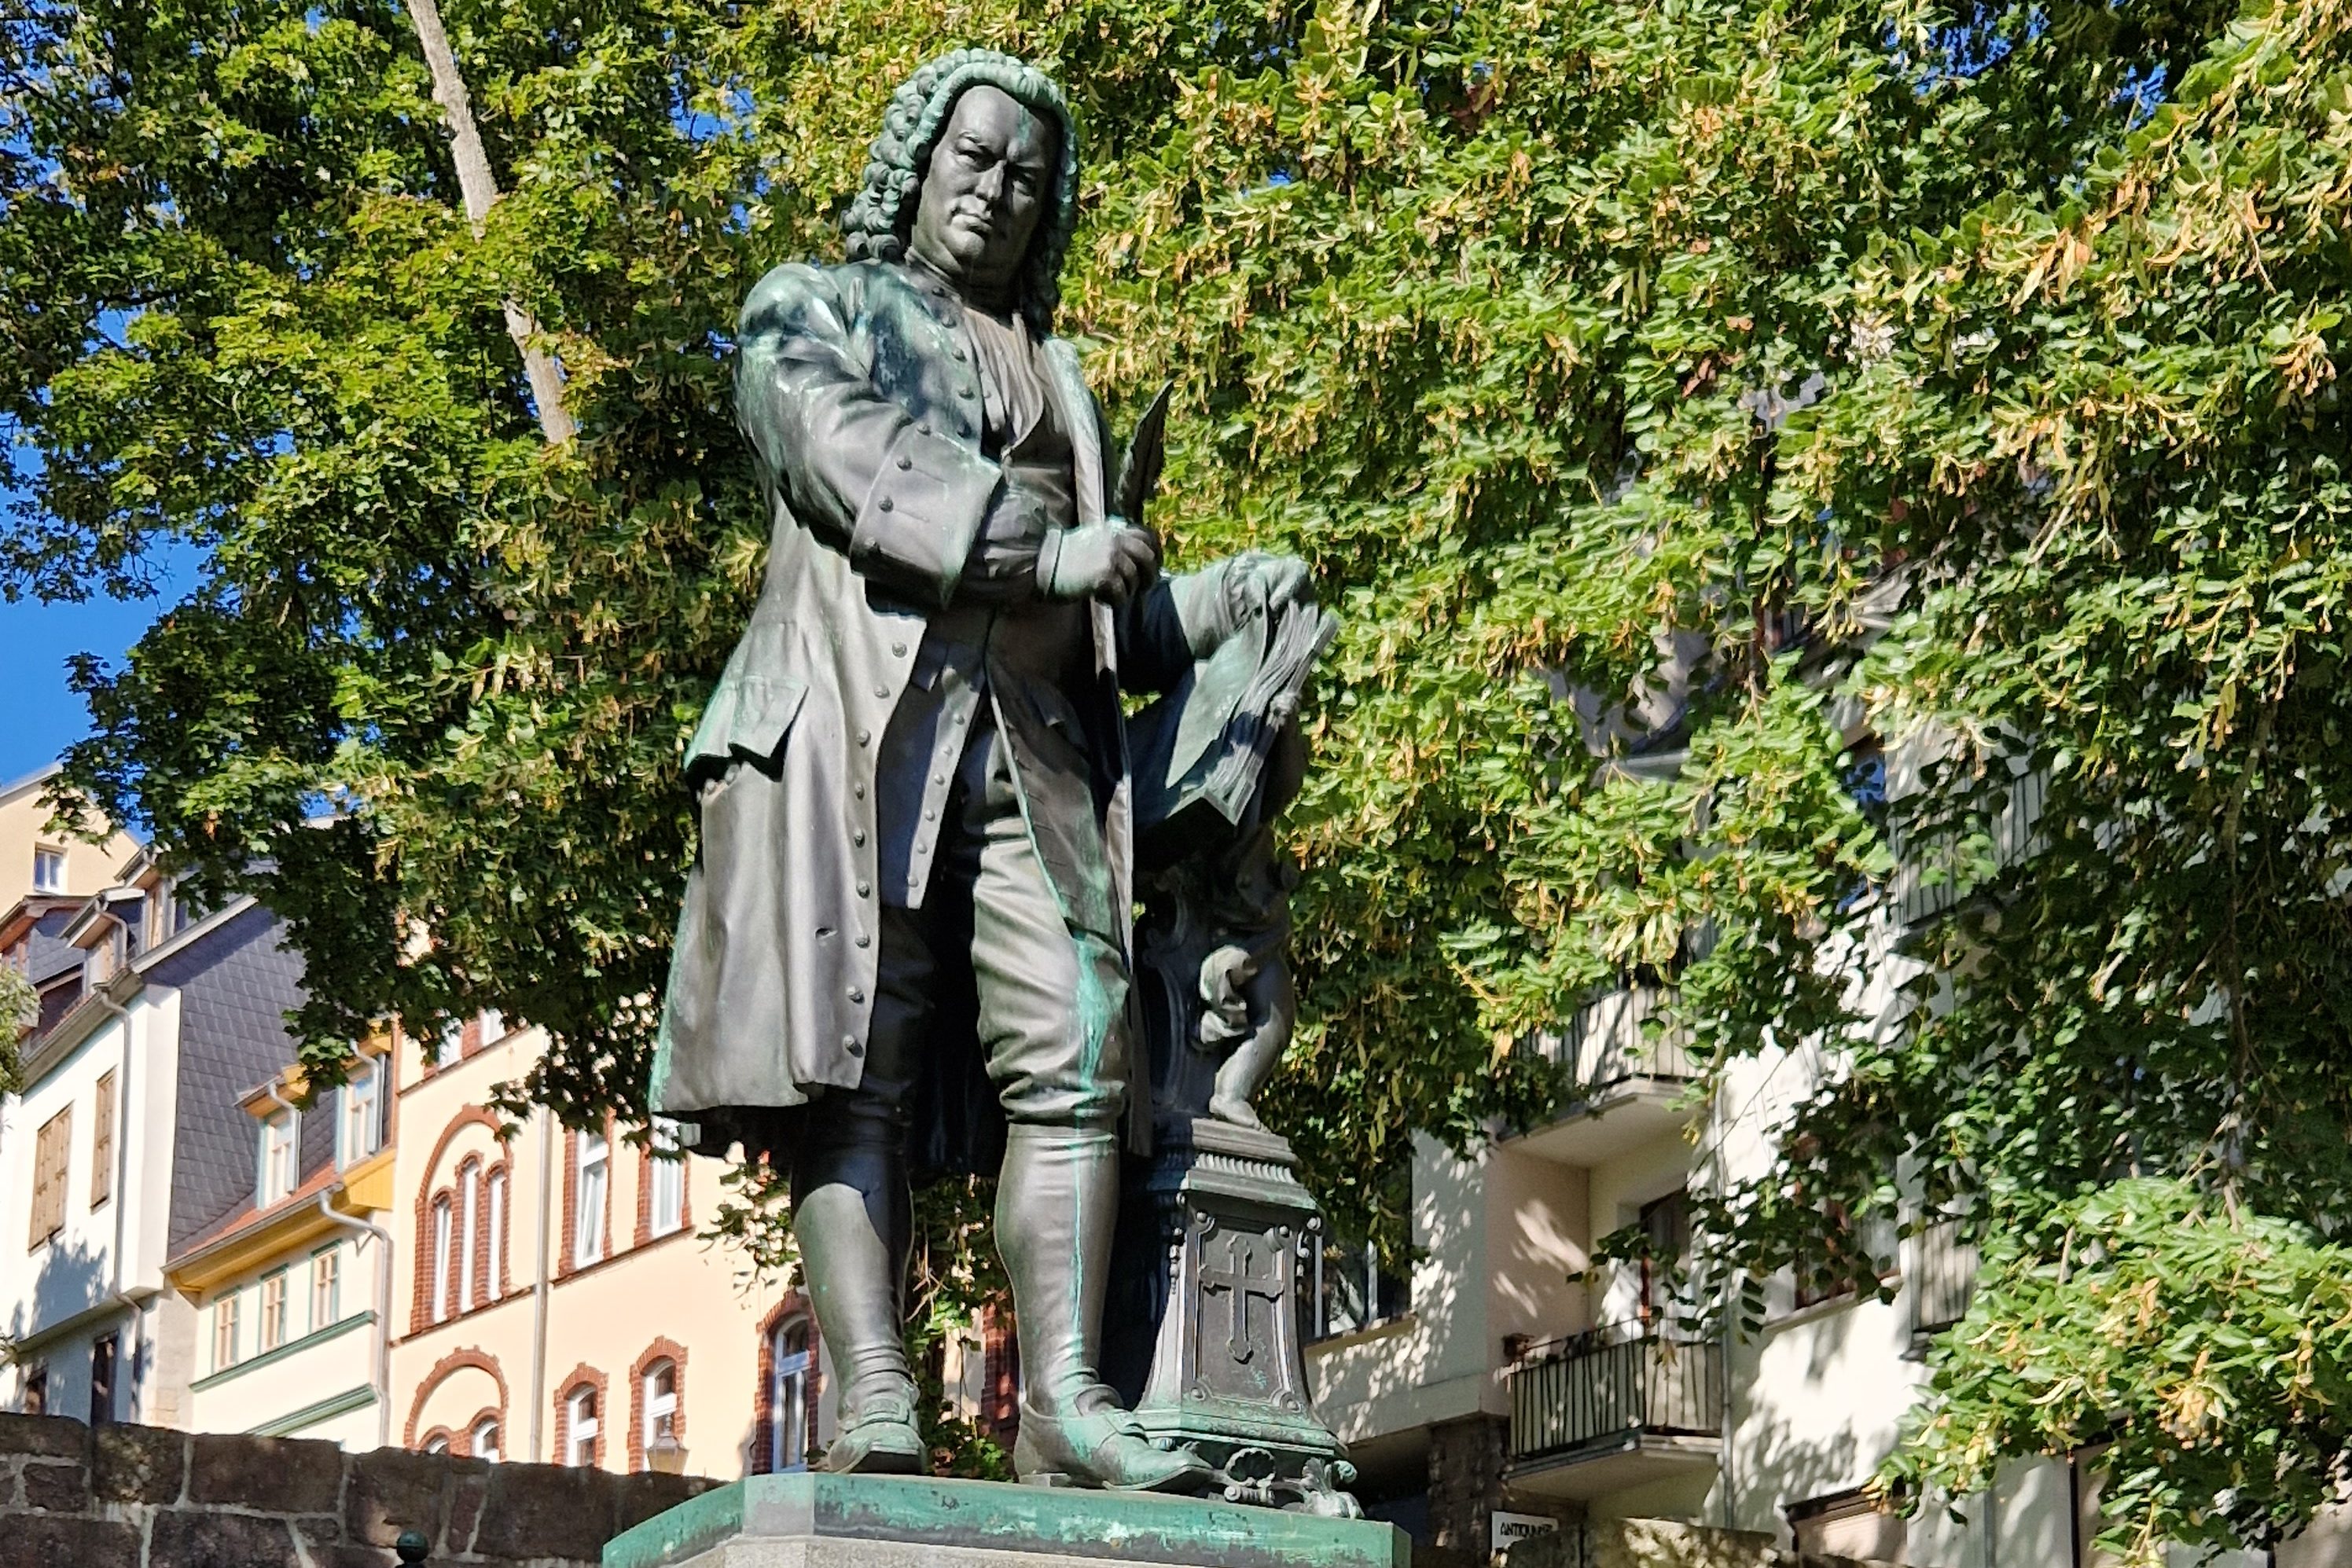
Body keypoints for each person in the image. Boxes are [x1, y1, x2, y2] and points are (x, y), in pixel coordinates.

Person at [651, 50, 1268, 1492]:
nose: (998, 192)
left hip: (1036, 753)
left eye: (1028, 179)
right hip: (852, 738)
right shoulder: (814, 309)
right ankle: (872, 1397)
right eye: (975, 161)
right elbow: (844, 457)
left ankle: (1060, 1399)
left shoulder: (1064, 380)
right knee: (850, 1071)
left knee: (1082, 1051)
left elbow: (1108, 616)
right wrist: (1035, 545)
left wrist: (1228, 597)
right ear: (918, 166)